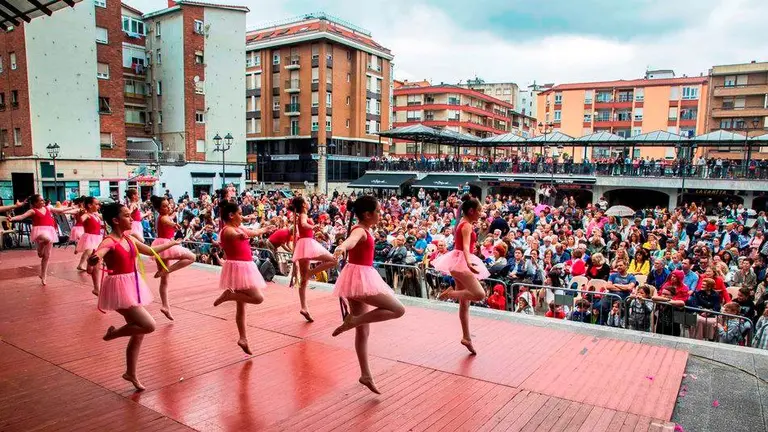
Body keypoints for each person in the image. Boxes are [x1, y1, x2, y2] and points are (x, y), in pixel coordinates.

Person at [88, 202, 179, 391]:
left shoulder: (129, 239)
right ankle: (113, 334)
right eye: (127, 216)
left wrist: (173, 243)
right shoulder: (109, 241)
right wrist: (94, 258)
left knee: (138, 333)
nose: (132, 218)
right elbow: (100, 253)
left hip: (132, 285)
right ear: (115, 220)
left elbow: (149, 250)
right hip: (119, 288)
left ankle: (130, 373)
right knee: (148, 325)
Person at [330, 195, 405, 394]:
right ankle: (353, 321)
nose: (381, 214)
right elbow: (350, 241)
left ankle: (365, 374)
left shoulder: (365, 229)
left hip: (355, 278)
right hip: (359, 279)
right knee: (398, 309)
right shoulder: (360, 230)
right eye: (378, 211)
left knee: (363, 331)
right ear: (367, 214)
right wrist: (341, 246)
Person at [213, 201, 274, 355]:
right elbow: (235, 234)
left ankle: (243, 338)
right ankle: (229, 295)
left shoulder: (236, 227)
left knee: (241, 307)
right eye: (239, 214)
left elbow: (250, 232)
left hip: (242, 267)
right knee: (258, 298)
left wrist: (264, 229)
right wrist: (241, 234)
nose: (242, 216)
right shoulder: (227, 230)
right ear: (231, 215)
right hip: (241, 268)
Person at [434, 195, 490, 355]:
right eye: (479, 210)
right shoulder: (466, 226)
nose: (481, 213)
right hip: (461, 262)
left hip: (457, 262)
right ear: (471, 211)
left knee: (464, 303)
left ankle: (466, 337)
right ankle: (450, 293)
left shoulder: (463, 223)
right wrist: (469, 262)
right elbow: (465, 247)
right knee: (479, 294)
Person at [290, 196, 337, 322]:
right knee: (333, 260)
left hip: (303, 244)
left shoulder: (300, 215)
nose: (308, 202)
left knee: (304, 280)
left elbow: (303, 227)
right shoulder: (303, 215)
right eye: (307, 201)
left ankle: (304, 307)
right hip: (307, 243)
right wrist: (313, 227)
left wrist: (314, 230)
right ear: (304, 205)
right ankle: (311, 273)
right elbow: (305, 225)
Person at [10, 195, 73, 285]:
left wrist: (71, 207)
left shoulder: (48, 208)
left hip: (50, 230)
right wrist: (12, 218)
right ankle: (42, 248)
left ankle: (43, 275)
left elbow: (60, 210)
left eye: (43, 200)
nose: (43, 202)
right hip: (39, 232)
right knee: (45, 242)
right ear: (35, 203)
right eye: (41, 200)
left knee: (46, 256)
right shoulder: (32, 211)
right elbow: (22, 216)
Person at [150, 195, 196, 320]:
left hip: (162, 244)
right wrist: (174, 224)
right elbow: (167, 221)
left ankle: (165, 306)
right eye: (164, 206)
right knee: (191, 257)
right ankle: (166, 270)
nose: (168, 207)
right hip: (166, 244)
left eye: (168, 205)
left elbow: (170, 217)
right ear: (159, 209)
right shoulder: (163, 218)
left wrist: (176, 212)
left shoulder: (163, 216)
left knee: (164, 280)